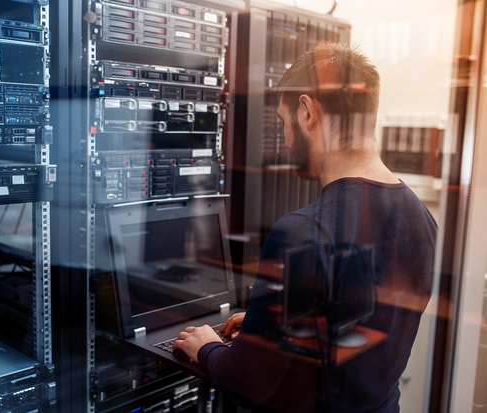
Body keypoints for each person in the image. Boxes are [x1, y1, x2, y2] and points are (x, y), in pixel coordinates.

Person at [172, 43, 437, 412]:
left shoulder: (301, 231)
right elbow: (358, 321)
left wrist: (207, 346)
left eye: (283, 122)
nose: (284, 137)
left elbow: (248, 383)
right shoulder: (422, 217)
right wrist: (270, 325)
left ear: (308, 111)